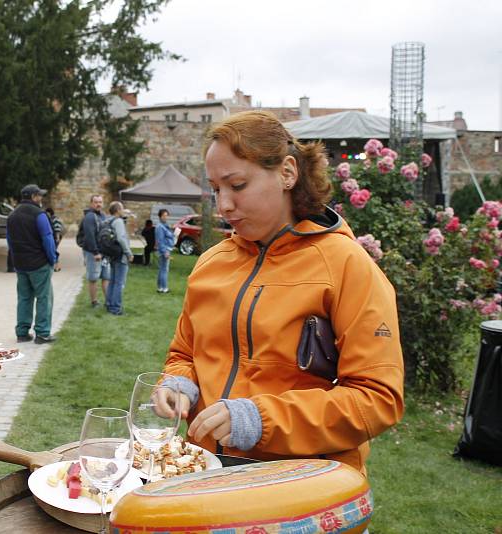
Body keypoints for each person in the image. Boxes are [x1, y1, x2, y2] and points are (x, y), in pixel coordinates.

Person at [156, 110, 404, 476]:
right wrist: (180, 384)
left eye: (237, 185)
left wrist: (261, 419)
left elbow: (377, 399)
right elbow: (185, 353)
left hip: (301, 486)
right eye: (215, 189)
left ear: (287, 173)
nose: (223, 205)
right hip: (203, 475)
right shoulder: (211, 262)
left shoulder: (346, 265)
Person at [7, 184, 58, 344]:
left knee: (24, 298)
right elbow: (48, 239)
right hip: (39, 263)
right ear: (34, 197)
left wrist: (15, 259)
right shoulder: (39, 215)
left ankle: (22, 332)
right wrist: (53, 259)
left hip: (21, 263)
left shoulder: (12, 215)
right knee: (44, 298)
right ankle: (42, 333)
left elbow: (9, 240)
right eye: (39, 195)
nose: (41, 198)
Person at [81, 194, 111, 308]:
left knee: (106, 277)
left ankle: (108, 301)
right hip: (93, 252)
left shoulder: (103, 216)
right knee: (93, 278)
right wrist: (95, 252)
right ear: (91, 203)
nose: (98, 204)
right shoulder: (89, 217)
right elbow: (89, 236)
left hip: (104, 253)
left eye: (100, 202)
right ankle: (94, 302)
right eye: (96, 202)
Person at [104, 201, 134, 316]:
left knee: (112, 281)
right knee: (119, 283)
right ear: (117, 210)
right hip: (121, 255)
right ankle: (116, 308)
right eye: (122, 209)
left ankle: (109, 303)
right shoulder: (118, 221)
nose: (123, 210)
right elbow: (121, 238)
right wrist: (129, 253)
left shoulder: (109, 220)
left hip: (113, 255)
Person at [155, 209, 174, 293]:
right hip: (164, 250)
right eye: (164, 216)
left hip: (166, 249)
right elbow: (160, 240)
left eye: (167, 215)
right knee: (164, 269)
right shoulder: (160, 227)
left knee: (161, 269)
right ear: (160, 216)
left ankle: (160, 287)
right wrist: (165, 251)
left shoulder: (164, 225)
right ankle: (164, 288)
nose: (166, 217)